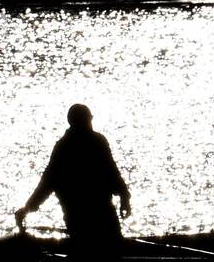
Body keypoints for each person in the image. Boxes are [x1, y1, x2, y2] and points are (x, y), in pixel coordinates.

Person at [16, 104, 131, 251]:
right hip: (86, 214)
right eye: (89, 119)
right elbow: (112, 173)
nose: (91, 123)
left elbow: (46, 184)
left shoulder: (69, 145)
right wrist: (124, 197)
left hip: (90, 213)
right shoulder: (88, 143)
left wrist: (27, 209)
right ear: (82, 121)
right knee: (108, 251)